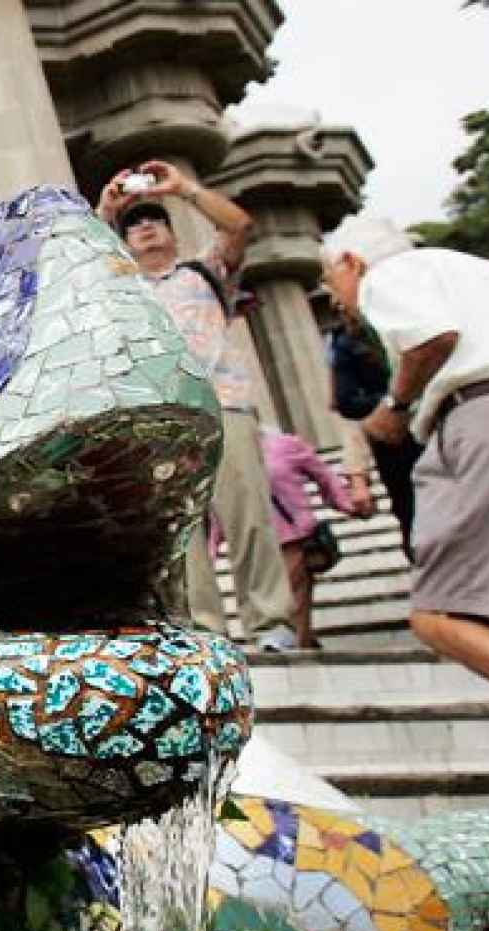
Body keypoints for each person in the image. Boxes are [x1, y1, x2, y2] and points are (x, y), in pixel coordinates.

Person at [96, 160, 298, 652]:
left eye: (153, 219)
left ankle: (270, 621)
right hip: (159, 416)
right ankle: (199, 629)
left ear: (170, 231)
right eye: (133, 224)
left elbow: (238, 226)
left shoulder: (203, 272)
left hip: (224, 404)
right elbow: (77, 262)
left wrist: (184, 188)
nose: (143, 227)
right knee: (177, 533)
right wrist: (105, 212)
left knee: (247, 515)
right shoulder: (120, 287)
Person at [322, 216, 489, 695]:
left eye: (331, 280)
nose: (335, 298)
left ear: (352, 262)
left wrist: (394, 406)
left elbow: (433, 336)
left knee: (442, 617)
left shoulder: (389, 275)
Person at [251, 427, 361, 650]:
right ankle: (305, 643)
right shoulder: (224, 456)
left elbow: (323, 473)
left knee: (294, 595)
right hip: (259, 541)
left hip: (294, 536)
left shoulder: (283, 444)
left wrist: (346, 503)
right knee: (291, 596)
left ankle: (298, 646)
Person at [328, 308, 420, 557]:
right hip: (400, 441)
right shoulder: (349, 344)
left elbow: (347, 405)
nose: (336, 300)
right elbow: (348, 408)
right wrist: (357, 477)